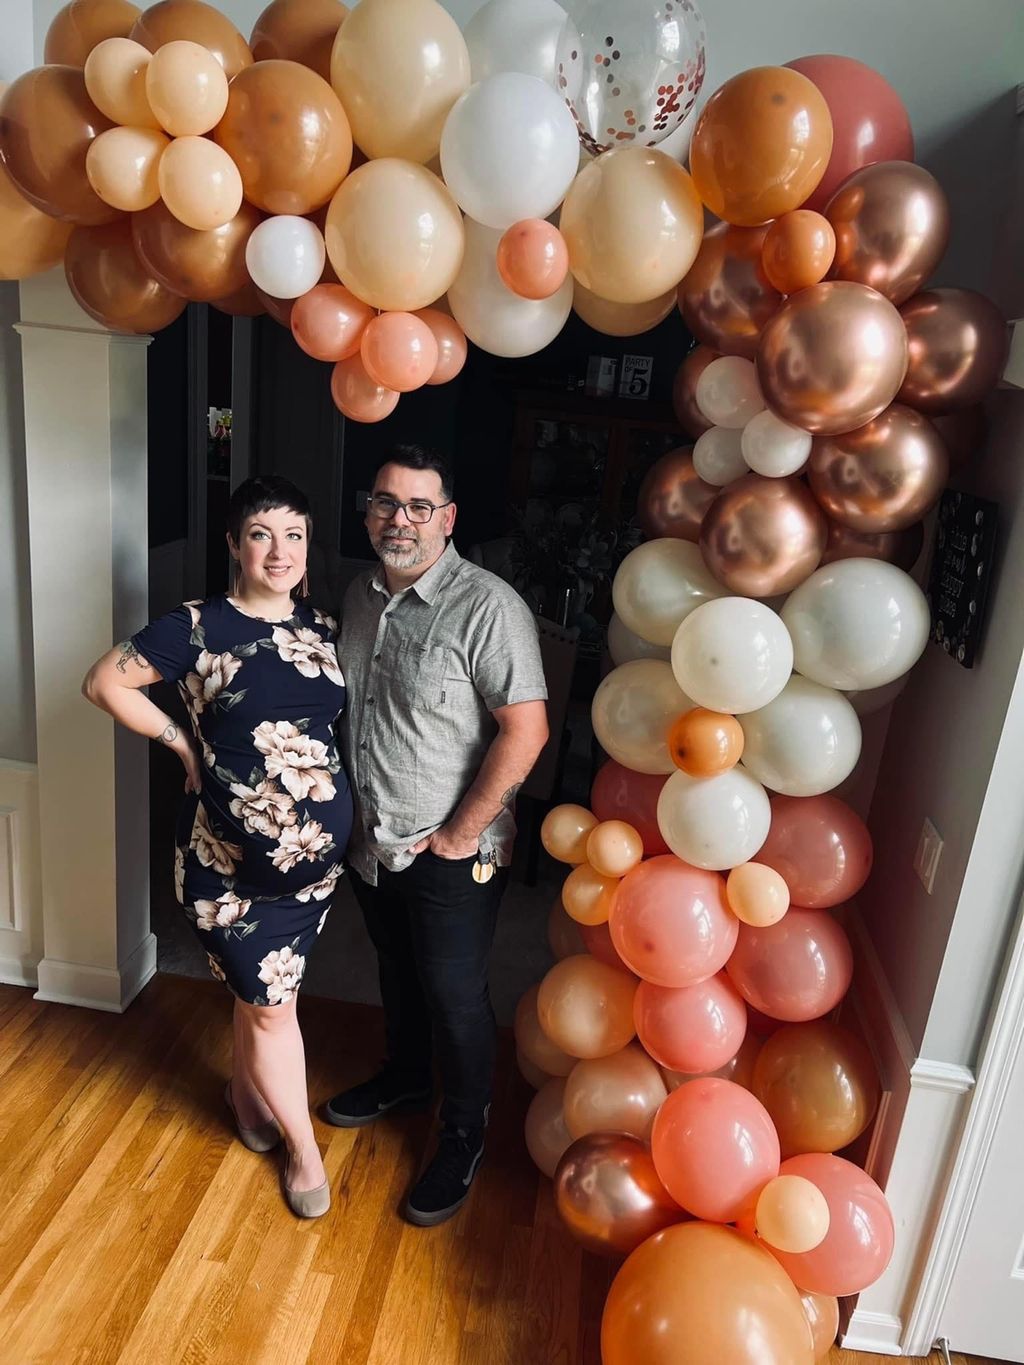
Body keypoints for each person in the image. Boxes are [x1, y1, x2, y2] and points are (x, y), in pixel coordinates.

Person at [82, 475, 351, 1219]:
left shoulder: (325, 629)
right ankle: (303, 1148)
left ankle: (247, 1099)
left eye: (294, 534)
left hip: (310, 873)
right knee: (272, 1008)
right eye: (262, 533)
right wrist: (177, 741)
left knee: (262, 995)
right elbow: (103, 681)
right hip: (226, 866)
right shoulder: (197, 626)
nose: (280, 550)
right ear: (234, 543)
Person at [326, 444, 549, 1227]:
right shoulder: (355, 595)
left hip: (450, 848)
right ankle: (406, 1076)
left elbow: (526, 730)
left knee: (455, 993)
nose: (400, 519)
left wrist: (461, 833)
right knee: (396, 966)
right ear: (368, 510)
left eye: (419, 506)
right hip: (372, 840)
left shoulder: (489, 607)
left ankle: (463, 1130)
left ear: (447, 519)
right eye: (386, 501)